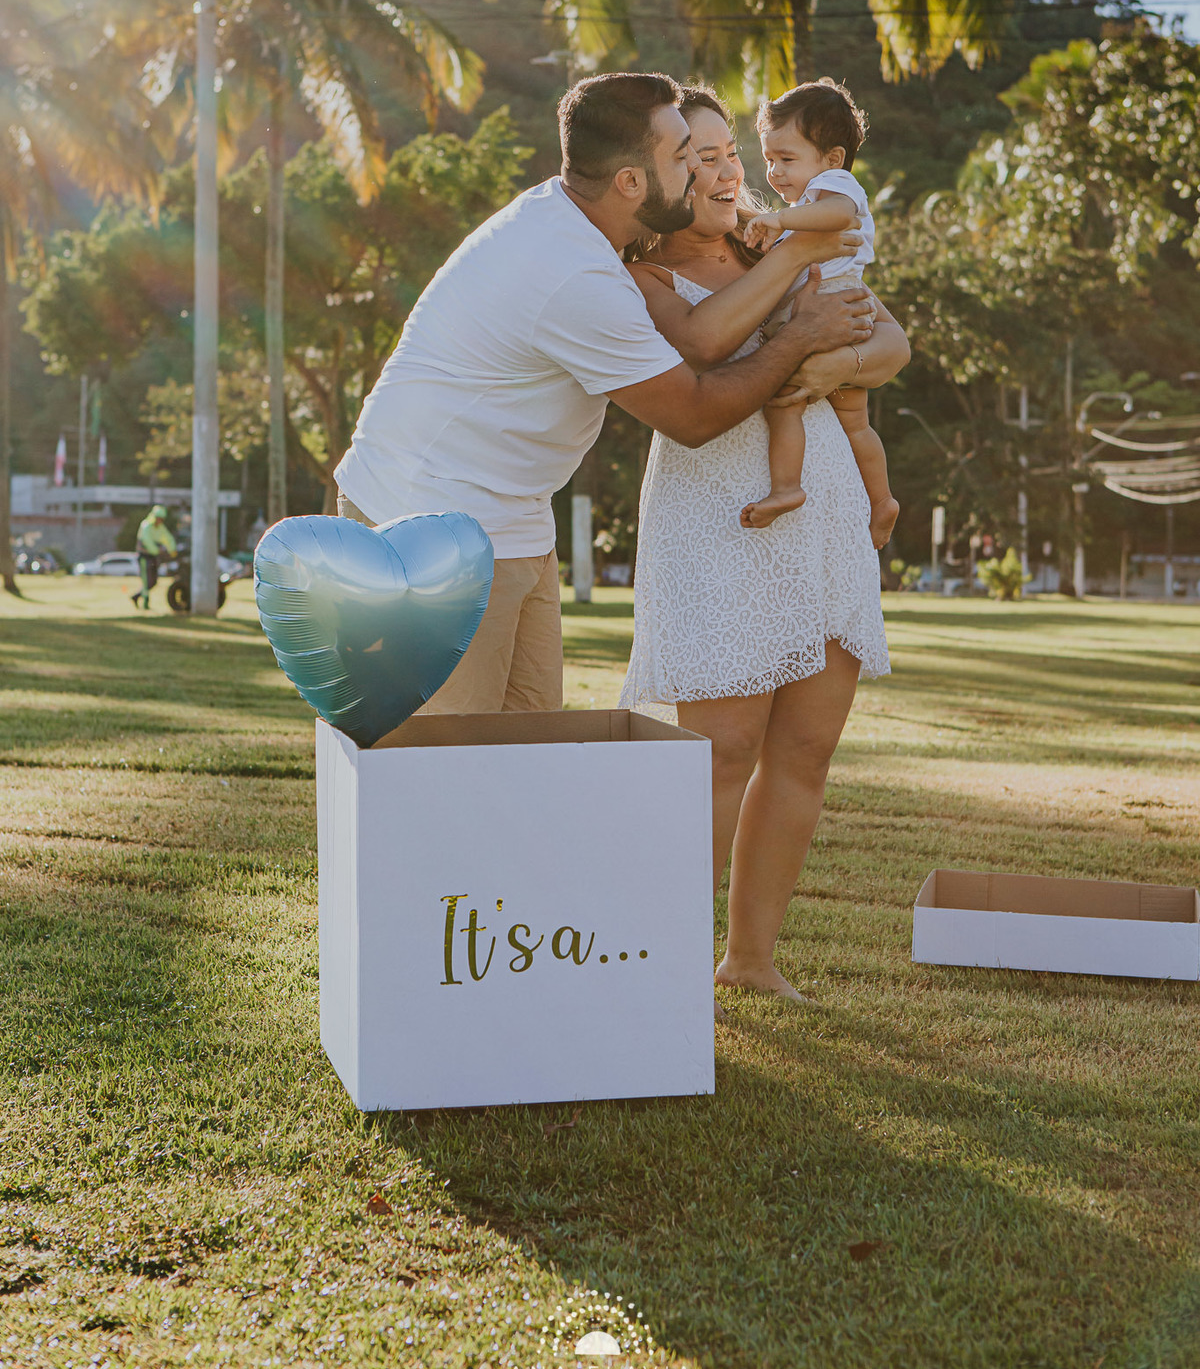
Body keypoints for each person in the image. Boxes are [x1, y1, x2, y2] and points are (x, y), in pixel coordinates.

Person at [333, 71, 878, 718]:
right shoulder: (578, 276)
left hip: (514, 523)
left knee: (521, 754)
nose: (701, 174)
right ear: (630, 183)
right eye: (683, 159)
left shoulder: (574, 228)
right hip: (427, 520)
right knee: (437, 764)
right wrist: (796, 341)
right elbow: (693, 413)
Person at [620, 85, 909, 1001]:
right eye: (696, 157)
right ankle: (660, 967)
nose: (722, 170)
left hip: (820, 497)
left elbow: (890, 341)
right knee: (721, 748)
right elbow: (705, 356)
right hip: (718, 506)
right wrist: (805, 321)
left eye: (726, 153)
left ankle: (749, 962)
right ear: (659, 177)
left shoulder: (783, 241)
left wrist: (828, 355)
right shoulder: (644, 276)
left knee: (808, 746)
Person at [741, 81, 899, 547]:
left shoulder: (834, 188)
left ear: (832, 158)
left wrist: (779, 221)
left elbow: (838, 217)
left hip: (831, 311)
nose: (773, 172)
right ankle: (883, 499)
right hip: (843, 314)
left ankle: (787, 487)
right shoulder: (804, 207)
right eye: (769, 159)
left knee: (782, 401)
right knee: (856, 424)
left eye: (786, 160)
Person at [133, 505, 177, 610]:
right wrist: (158, 551)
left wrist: (172, 550)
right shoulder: (146, 526)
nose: (160, 521)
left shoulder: (160, 528)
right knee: (146, 580)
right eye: (158, 518)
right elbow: (147, 541)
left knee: (153, 581)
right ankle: (145, 603)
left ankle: (136, 597)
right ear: (154, 517)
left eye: (162, 519)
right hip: (144, 556)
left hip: (153, 557)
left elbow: (168, 538)